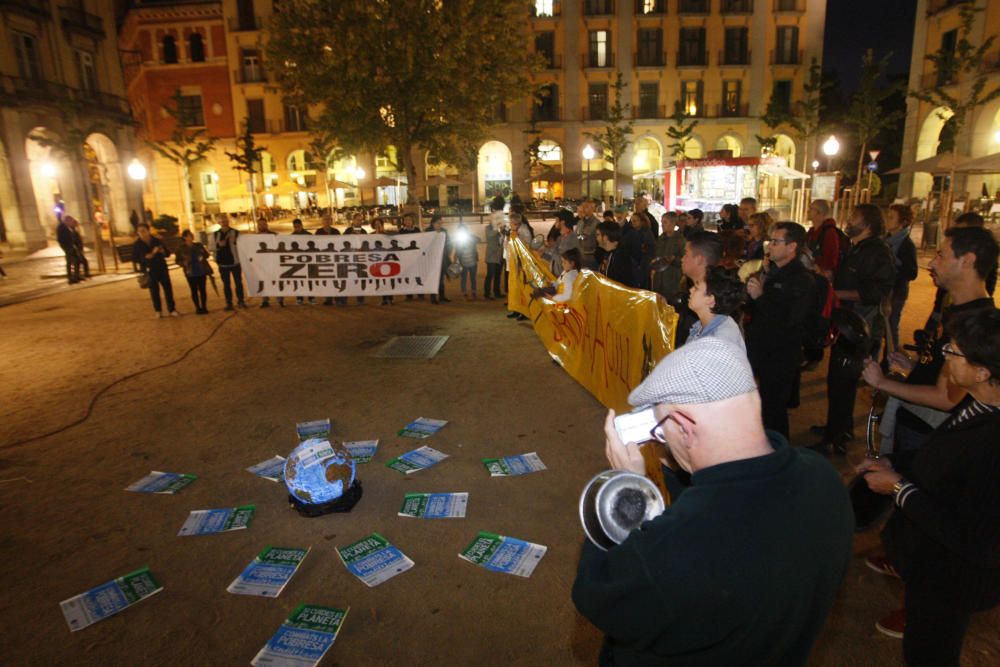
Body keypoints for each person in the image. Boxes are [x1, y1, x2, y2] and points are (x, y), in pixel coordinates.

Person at [573, 337, 853, 666]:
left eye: (663, 430)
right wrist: (680, 467)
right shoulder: (825, 479)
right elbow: (728, 502)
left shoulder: (676, 550)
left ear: (684, 425)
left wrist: (626, 489)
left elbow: (597, 592)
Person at [857, 309, 1000, 665]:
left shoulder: (993, 441)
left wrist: (898, 488)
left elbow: (969, 535)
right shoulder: (979, 402)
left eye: (955, 352)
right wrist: (896, 464)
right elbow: (944, 457)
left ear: (983, 372)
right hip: (931, 567)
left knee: (930, 653)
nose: (946, 356)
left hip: (952, 579)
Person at [861, 226, 998, 457]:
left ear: (967, 261)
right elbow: (949, 376)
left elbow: (946, 398)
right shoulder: (957, 310)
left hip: (927, 435)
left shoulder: (975, 324)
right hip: (916, 425)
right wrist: (915, 368)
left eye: (941, 255)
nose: (932, 263)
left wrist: (882, 382)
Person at [812, 204, 896, 455]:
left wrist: (836, 293)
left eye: (854, 217)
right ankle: (838, 427)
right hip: (847, 324)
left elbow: (875, 292)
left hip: (859, 328)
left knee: (843, 381)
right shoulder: (857, 247)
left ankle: (836, 438)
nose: (848, 221)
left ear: (868, 224)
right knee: (839, 381)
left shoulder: (877, 252)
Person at [745, 222, 815, 438]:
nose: (770, 247)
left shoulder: (801, 279)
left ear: (792, 246)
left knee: (774, 410)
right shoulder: (775, 272)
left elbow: (791, 319)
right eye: (770, 241)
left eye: (776, 242)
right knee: (763, 405)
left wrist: (761, 298)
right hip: (763, 350)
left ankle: (778, 452)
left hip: (781, 355)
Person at [674, 232, 723, 347]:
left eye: (686, 254)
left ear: (699, 260)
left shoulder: (715, 301)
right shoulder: (692, 290)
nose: (682, 259)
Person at [686, 265, 746, 351]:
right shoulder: (701, 326)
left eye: (696, 288)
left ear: (710, 300)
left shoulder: (721, 339)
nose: (690, 290)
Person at [885, 204, 919, 351]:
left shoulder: (906, 245)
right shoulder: (885, 240)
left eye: (892, 217)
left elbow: (912, 273)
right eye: (888, 216)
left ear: (903, 222)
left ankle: (890, 361)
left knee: (891, 327)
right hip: (884, 290)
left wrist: (895, 265)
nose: (887, 219)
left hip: (897, 292)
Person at [133, 223, 178, 318]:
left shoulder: (157, 241)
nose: (142, 233)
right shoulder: (138, 244)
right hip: (149, 269)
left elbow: (167, 253)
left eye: (143, 231)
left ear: (148, 231)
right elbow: (135, 258)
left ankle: (171, 309)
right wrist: (146, 257)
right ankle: (158, 310)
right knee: (154, 290)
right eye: (139, 231)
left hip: (161, 267)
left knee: (167, 288)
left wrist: (163, 252)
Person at [213, 214, 246, 311]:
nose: (224, 223)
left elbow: (243, 246)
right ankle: (229, 303)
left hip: (235, 262)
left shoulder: (235, 232)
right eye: (221, 221)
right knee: (226, 285)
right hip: (223, 264)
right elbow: (212, 248)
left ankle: (241, 301)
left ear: (228, 221)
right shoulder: (215, 234)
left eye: (225, 221)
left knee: (238, 283)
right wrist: (218, 245)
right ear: (218, 223)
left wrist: (236, 242)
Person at [805, 199, 844, 281]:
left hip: (821, 276)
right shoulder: (812, 231)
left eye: (811, 208)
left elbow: (831, 261)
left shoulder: (830, 233)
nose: (808, 211)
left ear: (820, 212)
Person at [175, 229, 211, 314]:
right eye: (189, 235)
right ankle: (198, 308)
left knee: (202, 289)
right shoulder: (181, 248)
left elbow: (207, 254)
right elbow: (177, 260)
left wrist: (202, 256)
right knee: (194, 290)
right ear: (184, 237)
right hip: (190, 271)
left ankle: (204, 307)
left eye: (191, 234)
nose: (191, 236)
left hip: (201, 269)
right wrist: (184, 263)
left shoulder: (198, 245)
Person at [651, 212, 685, 302]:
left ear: (673, 224)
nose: (662, 225)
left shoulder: (680, 240)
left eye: (665, 222)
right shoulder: (661, 238)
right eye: (662, 222)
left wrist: (674, 259)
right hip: (658, 281)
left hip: (672, 281)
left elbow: (684, 261)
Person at [620, 206, 655, 289]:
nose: (633, 223)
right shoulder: (631, 232)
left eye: (635, 221)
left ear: (642, 222)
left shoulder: (646, 233)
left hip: (643, 265)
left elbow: (649, 249)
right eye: (632, 221)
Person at [596, 221, 637, 288]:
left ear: (605, 237)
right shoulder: (608, 254)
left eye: (598, 235)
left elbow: (622, 285)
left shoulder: (621, 257)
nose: (596, 238)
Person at [256, 219, 284, 308]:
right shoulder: (254, 237)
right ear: (258, 226)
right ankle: (265, 300)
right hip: (261, 264)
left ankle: (280, 300)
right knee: (263, 281)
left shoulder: (274, 235)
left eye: (263, 224)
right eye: (260, 224)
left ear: (266, 225)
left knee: (276, 280)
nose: (262, 226)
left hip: (273, 262)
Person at [314, 215, 340, 305]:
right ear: (322, 221)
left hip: (335, 259)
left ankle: (337, 297)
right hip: (324, 259)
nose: (327, 221)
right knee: (327, 279)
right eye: (325, 219)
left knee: (336, 279)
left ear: (331, 221)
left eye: (329, 219)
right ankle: (328, 298)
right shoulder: (318, 232)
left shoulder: (336, 232)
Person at [546, 210, 580, 277]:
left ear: (562, 222)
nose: (555, 222)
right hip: (558, 277)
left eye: (556, 220)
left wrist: (551, 248)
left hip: (565, 278)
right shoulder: (561, 237)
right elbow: (553, 257)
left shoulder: (571, 239)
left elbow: (562, 261)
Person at [291, 218, 315, 305]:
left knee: (309, 280)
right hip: (298, 261)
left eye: (298, 226)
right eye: (295, 227)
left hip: (308, 261)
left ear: (301, 225)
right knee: (299, 280)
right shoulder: (292, 236)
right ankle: (299, 298)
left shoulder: (309, 235)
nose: (296, 228)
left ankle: (311, 297)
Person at [429, 214, 451, 304]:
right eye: (438, 223)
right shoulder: (427, 232)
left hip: (442, 258)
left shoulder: (444, 231)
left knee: (441, 278)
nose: (440, 225)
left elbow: (448, 243)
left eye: (441, 223)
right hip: (431, 259)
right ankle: (433, 297)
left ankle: (442, 296)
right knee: (433, 278)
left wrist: (448, 251)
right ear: (433, 223)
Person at [454, 221, 478, 300]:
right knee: (463, 278)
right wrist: (455, 262)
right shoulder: (458, 240)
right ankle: (464, 292)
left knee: (473, 277)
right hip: (463, 262)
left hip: (473, 261)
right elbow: (456, 252)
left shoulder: (471, 237)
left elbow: (479, 239)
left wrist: (471, 238)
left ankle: (474, 291)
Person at [575, 198, 602, 269]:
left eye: (586, 207)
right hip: (579, 257)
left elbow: (600, 244)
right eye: (583, 206)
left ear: (593, 209)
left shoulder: (597, 224)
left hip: (591, 259)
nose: (583, 209)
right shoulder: (580, 223)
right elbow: (576, 237)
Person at [483, 214, 504, 300]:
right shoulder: (488, 228)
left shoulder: (500, 229)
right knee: (490, 275)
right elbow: (490, 235)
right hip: (491, 256)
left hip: (499, 255)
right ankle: (487, 294)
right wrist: (499, 229)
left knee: (498, 275)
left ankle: (497, 292)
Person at [56, 215, 82, 284]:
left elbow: (74, 236)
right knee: (70, 262)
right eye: (70, 221)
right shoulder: (61, 228)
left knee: (76, 261)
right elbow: (61, 239)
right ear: (67, 221)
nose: (71, 223)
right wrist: (66, 247)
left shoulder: (69, 227)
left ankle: (76, 276)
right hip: (67, 247)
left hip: (71, 247)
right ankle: (71, 278)